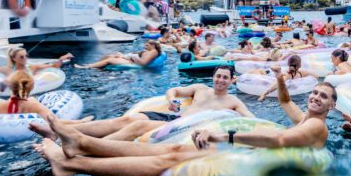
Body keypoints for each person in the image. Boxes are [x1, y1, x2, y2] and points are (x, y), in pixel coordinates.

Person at [33, 69, 336, 176]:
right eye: (315, 92)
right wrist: (281, 80)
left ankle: (77, 161)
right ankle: (82, 145)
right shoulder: (306, 119)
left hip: (258, 159)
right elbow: (285, 104)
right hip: (255, 151)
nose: (316, 97)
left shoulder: (316, 128)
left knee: (171, 158)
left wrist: (222, 136)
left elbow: (282, 142)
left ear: (332, 106)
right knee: (173, 148)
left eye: (323, 96)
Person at [31, 66, 252, 144]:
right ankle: (56, 132)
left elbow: (251, 120)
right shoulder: (200, 89)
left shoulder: (233, 101)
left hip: (185, 130)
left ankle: (80, 145)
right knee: (126, 119)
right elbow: (173, 90)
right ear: (213, 77)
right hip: (174, 119)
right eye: (218, 76)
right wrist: (170, 101)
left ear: (232, 80)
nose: (221, 80)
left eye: (225, 78)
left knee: (135, 129)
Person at [0, 71, 90, 127]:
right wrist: (81, 122)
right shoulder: (33, 104)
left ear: (10, 86)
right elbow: (55, 122)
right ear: (31, 87)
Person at [0, 46, 73, 87]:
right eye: (21, 57)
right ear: (14, 59)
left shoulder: (32, 67)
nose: (25, 59)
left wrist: (61, 59)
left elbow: (54, 66)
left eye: (26, 56)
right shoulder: (6, 69)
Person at [74, 40, 163, 70]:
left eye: (147, 45)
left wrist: (133, 56)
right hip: (131, 59)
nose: (145, 46)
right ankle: (95, 66)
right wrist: (125, 55)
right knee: (109, 56)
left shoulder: (153, 52)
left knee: (110, 60)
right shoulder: (149, 51)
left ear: (153, 45)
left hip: (133, 63)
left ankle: (87, 67)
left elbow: (143, 63)